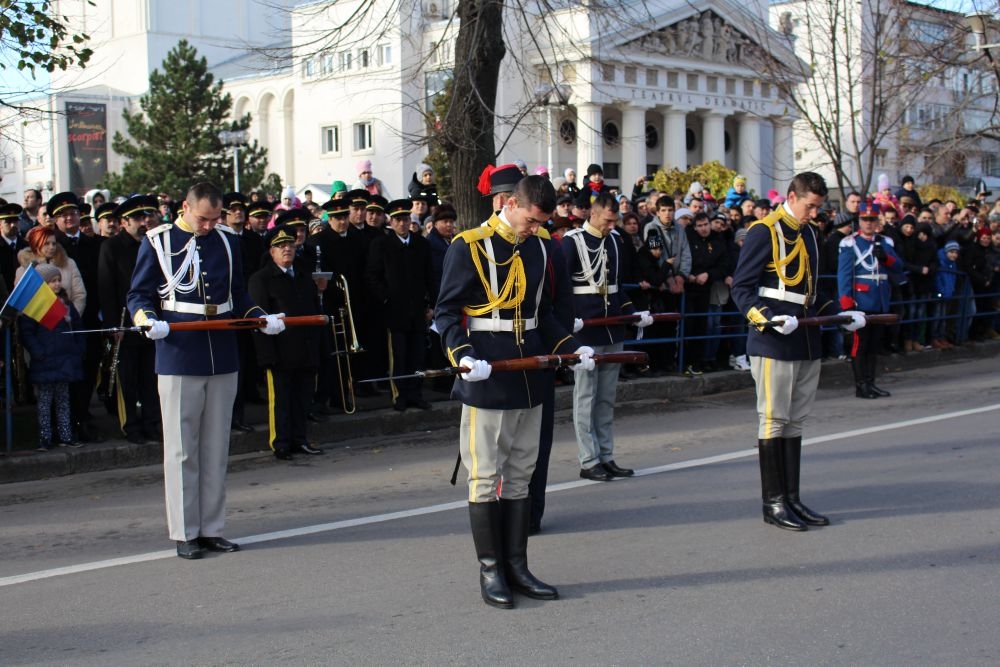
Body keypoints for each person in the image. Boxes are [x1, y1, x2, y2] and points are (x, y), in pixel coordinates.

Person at [434, 175, 588, 609]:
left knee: (521, 474)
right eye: (531, 220)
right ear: (510, 203)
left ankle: (517, 566)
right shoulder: (469, 244)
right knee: (484, 477)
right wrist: (462, 355)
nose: (535, 229)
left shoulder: (541, 247)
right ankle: (490, 570)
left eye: (541, 223)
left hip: (530, 374)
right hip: (488, 371)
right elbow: (446, 313)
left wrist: (573, 349)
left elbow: (545, 317)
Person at [127, 182, 286, 560]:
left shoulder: (228, 240)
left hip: (223, 351)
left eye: (215, 219)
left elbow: (239, 297)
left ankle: (212, 528)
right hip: (180, 351)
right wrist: (149, 320)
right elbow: (138, 294)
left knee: (216, 447)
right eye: (203, 219)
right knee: (183, 449)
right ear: (185, 207)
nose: (209, 226)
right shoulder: (158, 241)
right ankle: (185, 532)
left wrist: (260, 318)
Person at [731, 172, 866, 532]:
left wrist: (838, 314)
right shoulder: (764, 230)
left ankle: (791, 498)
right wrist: (770, 319)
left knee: (795, 420)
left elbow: (810, 291)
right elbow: (742, 290)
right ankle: (773, 502)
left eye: (818, 208)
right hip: (774, 338)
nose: (813, 214)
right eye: (809, 206)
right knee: (773, 419)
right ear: (792, 197)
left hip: (805, 336)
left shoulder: (807, 233)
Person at [564, 192, 652, 481]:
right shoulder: (572, 242)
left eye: (614, 221)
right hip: (585, 328)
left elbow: (617, 288)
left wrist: (634, 312)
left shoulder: (614, 241)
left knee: (606, 397)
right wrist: (568, 321)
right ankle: (588, 460)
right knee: (586, 396)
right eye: (607, 220)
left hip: (612, 327)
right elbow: (561, 290)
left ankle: (606, 455)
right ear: (593, 213)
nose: (611, 226)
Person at [247, 228, 324, 460]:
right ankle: (280, 443)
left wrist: (318, 347)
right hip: (280, 350)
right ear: (271, 252)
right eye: (281, 246)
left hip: (305, 348)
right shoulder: (261, 279)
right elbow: (258, 320)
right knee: (281, 400)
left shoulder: (302, 275)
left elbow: (314, 311)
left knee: (302, 399)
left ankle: (300, 440)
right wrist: (265, 355)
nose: (287, 249)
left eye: (290, 245)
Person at [97, 195, 162, 445]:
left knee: (150, 377)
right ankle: (131, 426)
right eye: (136, 218)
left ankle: (151, 423)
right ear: (123, 222)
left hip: (151, 321)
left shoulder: (153, 243)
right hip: (125, 322)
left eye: (145, 216)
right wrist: (114, 324)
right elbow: (106, 288)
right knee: (127, 379)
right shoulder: (111, 247)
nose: (143, 221)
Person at [365, 198, 433, 411]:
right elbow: (372, 275)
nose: (401, 224)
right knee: (399, 355)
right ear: (390, 222)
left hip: (418, 310)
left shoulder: (421, 244)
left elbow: (430, 277)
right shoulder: (382, 244)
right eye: (397, 220)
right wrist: (386, 298)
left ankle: (416, 393)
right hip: (395, 311)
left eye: (404, 219)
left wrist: (431, 304)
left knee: (418, 355)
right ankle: (400, 395)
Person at [838, 200, 905, 399]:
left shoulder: (885, 243)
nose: (868, 223)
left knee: (875, 344)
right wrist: (846, 303)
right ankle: (861, 385)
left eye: (872, 219)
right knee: (860, 344)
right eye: (865, 219)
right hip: (860, 301)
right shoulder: (850, 243)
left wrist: (885, 258)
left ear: (877, 221)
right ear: (859, 220)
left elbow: (898, 266)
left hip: (879, 300)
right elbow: (844, 276)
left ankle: (871, 383)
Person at [19, 263, 85, 452]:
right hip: (45, 361)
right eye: (51, 282)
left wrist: (79, 348)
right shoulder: (34, 308)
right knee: (45, 402)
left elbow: (78, 328)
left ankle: (66, 435)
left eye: (58, 281)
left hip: (65, 360)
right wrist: (39, 353)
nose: (56, 285)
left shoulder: (65, 304)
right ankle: (45, 438)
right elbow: (28, 333)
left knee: (63, 401)